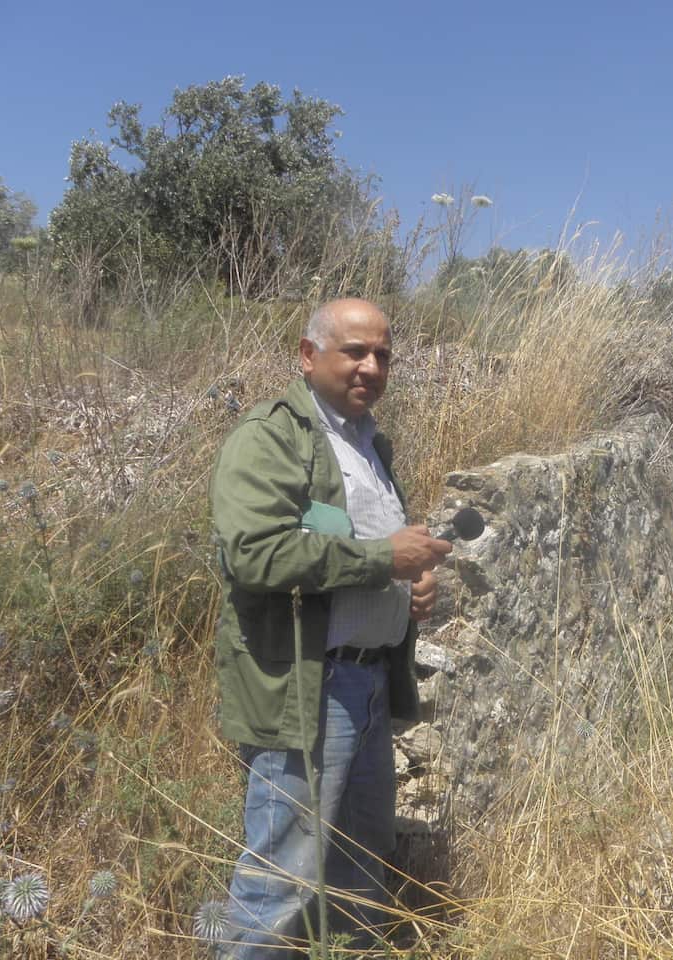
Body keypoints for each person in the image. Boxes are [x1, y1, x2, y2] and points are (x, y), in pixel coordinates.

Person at [211, 298, 452, 956]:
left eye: (382, 354)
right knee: (281, 877)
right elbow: (255, 552)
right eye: (355, 351)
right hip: (307, 686)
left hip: (369, 683)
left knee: (357, 873)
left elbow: (362, 549)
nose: (371, 366)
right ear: (308, 354)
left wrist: (410, 583)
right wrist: (384, 560)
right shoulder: (270, 437)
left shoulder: (370, 442)